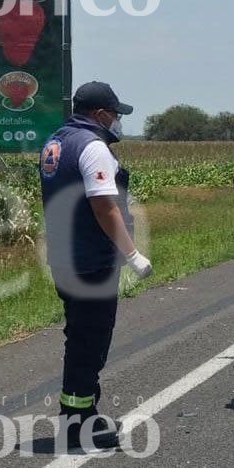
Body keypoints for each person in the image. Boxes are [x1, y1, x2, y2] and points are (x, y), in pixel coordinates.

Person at [39, 81, 152, 449]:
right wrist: (133, 254)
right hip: (90, 260)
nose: (118, 121)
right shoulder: (93, 147)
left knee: (81, 336)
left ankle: (79, 413)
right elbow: (104, 206)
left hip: (64, 255)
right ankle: (78, 423)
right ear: (101, 114)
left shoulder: (56, 141)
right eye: (115, 114)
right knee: (91, 340)